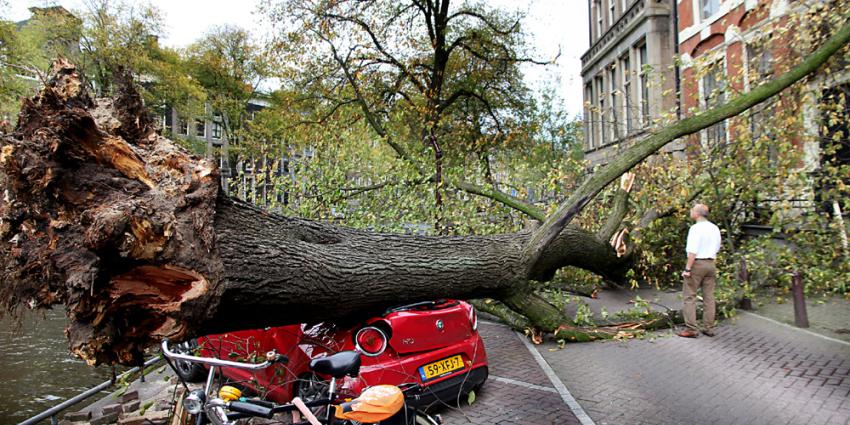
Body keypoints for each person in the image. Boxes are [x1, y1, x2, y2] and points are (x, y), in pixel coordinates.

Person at [678, 203, 721, 338]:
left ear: (697, 213)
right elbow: (718, 247)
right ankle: (709, 327)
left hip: (697, 264)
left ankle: (691, 328)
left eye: (692, 210)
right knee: (709, 297)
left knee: (689, 295)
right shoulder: (715, 228)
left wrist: (687, 268)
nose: (690, 212)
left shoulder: (695, 229)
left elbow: (692, 251)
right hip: (711, 263)